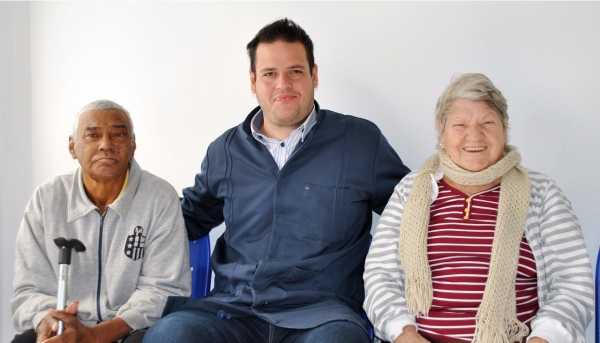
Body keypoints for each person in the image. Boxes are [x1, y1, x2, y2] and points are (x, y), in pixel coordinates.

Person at [143, 18, 410, 343]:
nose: (283, 83)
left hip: (324, 316)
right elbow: (183, 221)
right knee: (169, 335)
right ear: (254, 81)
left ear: (314, 75)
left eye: (295, 71)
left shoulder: (360, 142)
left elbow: (413, 212)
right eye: (270, 74)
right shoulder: (225, 151)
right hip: (233, 311)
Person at [363, 73, 594, 343]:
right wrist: (405, 335)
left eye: (487, 123)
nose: (474, 135)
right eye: (460, 124)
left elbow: (572, 283)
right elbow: (381, 275)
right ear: (442, 130)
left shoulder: (542, 193)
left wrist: (543, 339)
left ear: (505, 129)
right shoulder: (410, 190)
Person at [11, 100, 192, 343]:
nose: (106, 145)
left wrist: (97, 335)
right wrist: (48, 321)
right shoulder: (47, 199)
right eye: (93, 135)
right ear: (72, 147)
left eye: (118, 135)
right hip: (66, 329)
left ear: (132, 146)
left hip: (131, 328)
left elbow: (165, 290)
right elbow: (29, 289)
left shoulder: (159, 197)